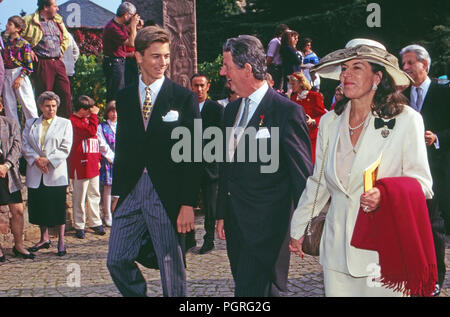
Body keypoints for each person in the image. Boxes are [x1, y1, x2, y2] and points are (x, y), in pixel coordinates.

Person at [289, 39, 434, 296]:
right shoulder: (330, 123)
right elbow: (319, 180)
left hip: (383, 250)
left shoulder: (406, 120)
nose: (346, 74)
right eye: (344, 68)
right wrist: (299, 227)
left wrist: (384, 193)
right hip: (336, 252)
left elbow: (423, 183)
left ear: (378, 77)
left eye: (357, 67)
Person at [107, 26, 201, 297]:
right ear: (138, 57)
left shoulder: (183, 98)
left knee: (170, 264)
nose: (163, 62)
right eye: (156, 56)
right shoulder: (124, 98)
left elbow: (193, 154)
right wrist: (118, 191)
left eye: (166, 56)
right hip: (132, 190)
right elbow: (123, 146)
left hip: (167, 192)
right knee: (116, 259)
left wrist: (187, 203)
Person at [216, 35, 313, 296]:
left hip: (269, 227)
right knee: (246, 288)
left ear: (246, 68)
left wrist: (303, 227)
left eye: (227, 66)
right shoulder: (229, 112)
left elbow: (302, 175)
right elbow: (226, 166)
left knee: (262, 290)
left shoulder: (286, 112)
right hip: (236, 224)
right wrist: (222, 212)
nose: (223, 72)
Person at [400, 44, 448, 295]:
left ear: (425, 65)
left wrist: (437, 137)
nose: (405, 68)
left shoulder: (443, 92)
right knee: (409, 226)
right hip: (405, 173)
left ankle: (436, 277)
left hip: (435, 172)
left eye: (410, 63)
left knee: (433, 226)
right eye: (403, 63)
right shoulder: (400, 95)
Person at [22, 91, 72, 257]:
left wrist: (48, 160)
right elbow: (24, 144)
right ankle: (44, 238)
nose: (51, 109)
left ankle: (61, 240)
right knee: (40, 206)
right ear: (40, 107)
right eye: (47, 106)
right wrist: (36, 159)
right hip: (36, 171)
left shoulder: (64, 123)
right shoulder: (31, 123)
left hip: (55, 172)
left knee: (57, 206)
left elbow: (65, 146)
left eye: (53, 106)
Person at [190, 73, 224, 254]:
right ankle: (187, 238)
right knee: (186, 202)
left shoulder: (216, 109)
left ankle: (209, 239)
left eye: (202, 85)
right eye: (195, 86)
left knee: (211, 206)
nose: (199, 89)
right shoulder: (186, 107)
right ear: (191, 87)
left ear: (208, 86)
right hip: (189, 165)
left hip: (211, 166)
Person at [22, 0, 73, 118]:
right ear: (45, 7)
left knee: (65, 94)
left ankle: (65, 125)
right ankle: (43, 126)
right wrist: (28, 50)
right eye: (55, 6)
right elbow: (16, 36)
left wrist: (61, 50)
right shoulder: (29, 20)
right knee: (44, 96)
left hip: (58, 62)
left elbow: (66, 37)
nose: (58, 9)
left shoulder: (57, 20)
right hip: (42, 63)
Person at [0, 100, 34, 261]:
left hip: (8, 173)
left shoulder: (10, 123)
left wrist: (6, 165)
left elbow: (17, 145)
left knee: (18, 211)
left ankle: (19, 245)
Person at [68, 95, 105, 239]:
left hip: (92, 162)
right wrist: (94, 117)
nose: (91, 112)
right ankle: (79, 224)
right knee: (80, 196)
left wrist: (98, 158)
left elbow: (95, 140)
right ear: (82, 109)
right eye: (88, 109)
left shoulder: (89, 120)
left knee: (94, 194)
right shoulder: (73, 121)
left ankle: (95, 222)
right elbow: (90, 131)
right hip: (80, 164)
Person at [1, 16, 39, 126]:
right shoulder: (4, 42)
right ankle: (15, 136)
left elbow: (28, 65)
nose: (7, 26)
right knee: (9, 107)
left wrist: (20, 77)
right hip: (7, 74)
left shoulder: (24, 44)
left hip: (19, 73)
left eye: (10, 24)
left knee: (28, 104)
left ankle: (34, 133)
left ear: (17, 28)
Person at [102, 2, 140, 102]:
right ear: (126, 15)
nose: (133, 18)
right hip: (114, 63)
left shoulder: (120, 25)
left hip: (119, 62)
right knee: (115, 93)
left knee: (121, 91)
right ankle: (113, 116)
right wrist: (133, 26)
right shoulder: (113, 28)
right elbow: (132, 43)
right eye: (132, 16)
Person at [288, 72, 327, 163]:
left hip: (312, 137)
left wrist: (313, 120)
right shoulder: (293, 98)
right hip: (298, 137)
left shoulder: (314, 96)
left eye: (293, 84)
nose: (291, 86)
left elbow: (323, 115)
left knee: (311, 164)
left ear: (301, 83)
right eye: (290, 84)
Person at [97, 101, 118, 227]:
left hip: (123, 161)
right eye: (112, 111)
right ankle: (107, 215)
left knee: (120, 190)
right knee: (108, 188)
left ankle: (117, 212)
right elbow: (102, 144)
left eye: (116, 111)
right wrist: (113, 157)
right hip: (109, 161)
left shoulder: (124, 125)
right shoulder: (102, 127)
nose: (114, 114)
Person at [266, 24, 289, 91]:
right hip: (274, 68)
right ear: (281, 32)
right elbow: (270, 56)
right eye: (286, 32)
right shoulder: (275, 41)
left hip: (280, 68)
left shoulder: (282, 42)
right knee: (274, 88)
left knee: (279, 88)